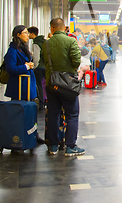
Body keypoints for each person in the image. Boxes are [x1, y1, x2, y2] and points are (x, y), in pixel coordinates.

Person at [43, 18, 84, 156]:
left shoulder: (46, 44)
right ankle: (70, 146)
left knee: (53, 114)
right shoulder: (71, 41)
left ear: (52, 28)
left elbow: (44, 62)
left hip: (52, 83)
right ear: (64, 28)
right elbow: (76, 61)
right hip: (68, 84)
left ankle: (53, 146)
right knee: (71, 114)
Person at [4, 25, 43, 143]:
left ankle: (33, 134)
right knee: (19, 113)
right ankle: (18, 137)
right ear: (18, 35)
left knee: (30, 112)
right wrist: (26, 66)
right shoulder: (12, 50)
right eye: (25, 33)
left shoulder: (24, 49)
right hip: (19, 87)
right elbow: (11, 68)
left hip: (27, 85)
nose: (27, 35)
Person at [28, 26, 46, 109]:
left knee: (39, 85)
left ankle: (41, 103)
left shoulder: (36, 43)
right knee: (45, 85)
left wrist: (34, 67)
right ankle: (46, 101)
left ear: (32, 33)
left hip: (39, 67)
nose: (28, 35)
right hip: (46, 67)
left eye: (28, 33)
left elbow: (36, 57)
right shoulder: (44, 41)